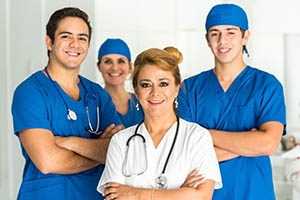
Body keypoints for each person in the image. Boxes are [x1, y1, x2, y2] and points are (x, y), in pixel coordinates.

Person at [11, 7, 123, 200]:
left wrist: (68, 142)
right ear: (49, 42)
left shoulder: (98, 95)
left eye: (82, 38)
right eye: (66, 36)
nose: (75, 44)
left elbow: (119, 152)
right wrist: (100, 151)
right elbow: (48, 161)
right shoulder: (30, 92)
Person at [177, 3, 286, 200]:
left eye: (231, 32)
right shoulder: (189, 89)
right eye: (214, 33)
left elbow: (268, 144)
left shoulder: (266, 85)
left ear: (245, 36)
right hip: (205, 194)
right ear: (207, 39)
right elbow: (186, 153)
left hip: (254, 193)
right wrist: (248, 144)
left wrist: (204, 135)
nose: (222, 41)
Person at [97, 47, 222, 200]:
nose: (155, 92)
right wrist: (181, 194)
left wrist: (136, 194)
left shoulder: (197, 137)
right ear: (136, 91)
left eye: (163, 84)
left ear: (177, 88)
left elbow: (202, 196)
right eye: (146, 85)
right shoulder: (121, 141)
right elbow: (114, 197)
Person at [97, 38, 144, 128]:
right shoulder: (94, 105)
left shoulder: (142, 102)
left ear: (130, 67)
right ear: (99, 66)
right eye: (108, 61)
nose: (115, 68)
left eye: (121, 61)